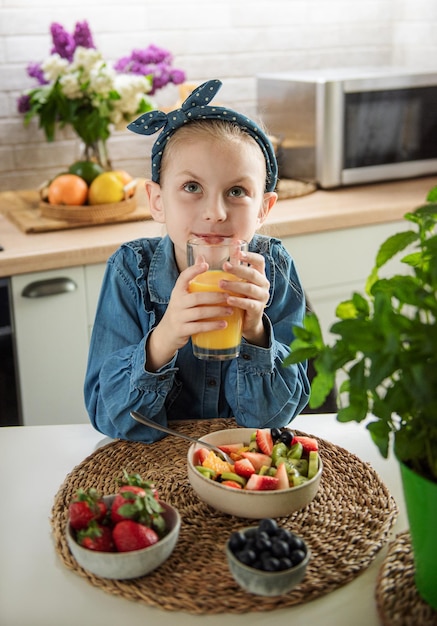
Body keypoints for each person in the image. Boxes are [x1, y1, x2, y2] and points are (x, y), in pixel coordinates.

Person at [84, 79, 310, 442]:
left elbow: (275, 417)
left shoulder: (275, 269)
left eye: (237, 192)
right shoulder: (129, 271)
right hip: (155, 469)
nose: (215, 212)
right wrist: (164, 337)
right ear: (157, 201)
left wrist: (255, 331)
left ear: (263, 209)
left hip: (237, 466)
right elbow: (107, 416)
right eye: (192, 188)